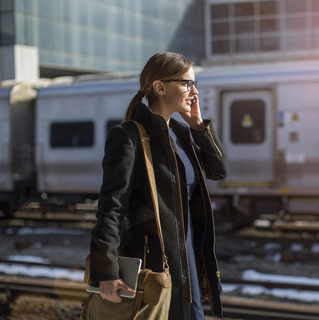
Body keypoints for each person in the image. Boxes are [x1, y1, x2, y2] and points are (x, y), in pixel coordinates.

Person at [83, 52, 228, 320]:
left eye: (195, 83)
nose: (193, 91)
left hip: (186, 253)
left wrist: (198, 126)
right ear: (160, 87)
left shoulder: (182, 134)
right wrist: (107, 271)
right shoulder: (128, 136)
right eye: (186, 83)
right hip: (153, 259)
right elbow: (111, 207)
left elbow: (219, 170)